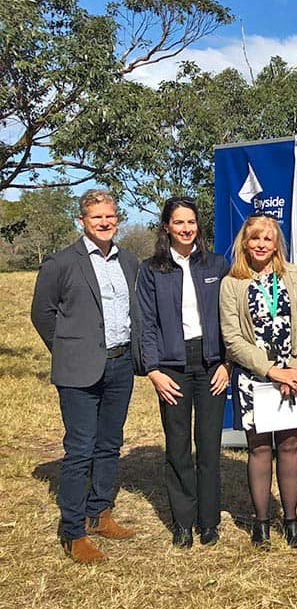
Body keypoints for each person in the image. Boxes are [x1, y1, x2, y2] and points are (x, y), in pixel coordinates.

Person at [30, 189, 144, 564]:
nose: (105, 222)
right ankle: (73, 530)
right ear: (83, 221)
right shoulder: (62, 263)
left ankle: (99, 512)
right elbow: (42, 314)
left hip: (120, 365)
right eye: (97, 217)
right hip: (78, 370)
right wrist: (67, 350)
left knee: (110, 444)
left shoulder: (129, 262)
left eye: (110, 216)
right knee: (80, 449)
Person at [219, 214, 297, 549]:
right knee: (259, 448)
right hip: (255, 378)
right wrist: (271, 371)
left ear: (277, 244)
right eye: (255, 238)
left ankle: (290, 519)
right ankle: (261, 522)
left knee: (290, 446)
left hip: (293, 375)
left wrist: (295, 370)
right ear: (244, 242)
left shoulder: (296, 277)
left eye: (268, 239)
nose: (261, 245)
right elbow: (232, 339)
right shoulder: (232, 282)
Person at [137, 197, 230, 549]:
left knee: (208, 447)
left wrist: (227, 363)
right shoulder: (152, 270)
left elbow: (232, 319)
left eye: (191, 222)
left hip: (211, 366)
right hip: (172, 368)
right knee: (178, 448)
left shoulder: (217, 265)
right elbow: (146, 324)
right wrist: (154, 370)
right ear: (167, 227)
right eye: (179, 223)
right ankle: (183, 523)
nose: (186, 229)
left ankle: (209, 521)